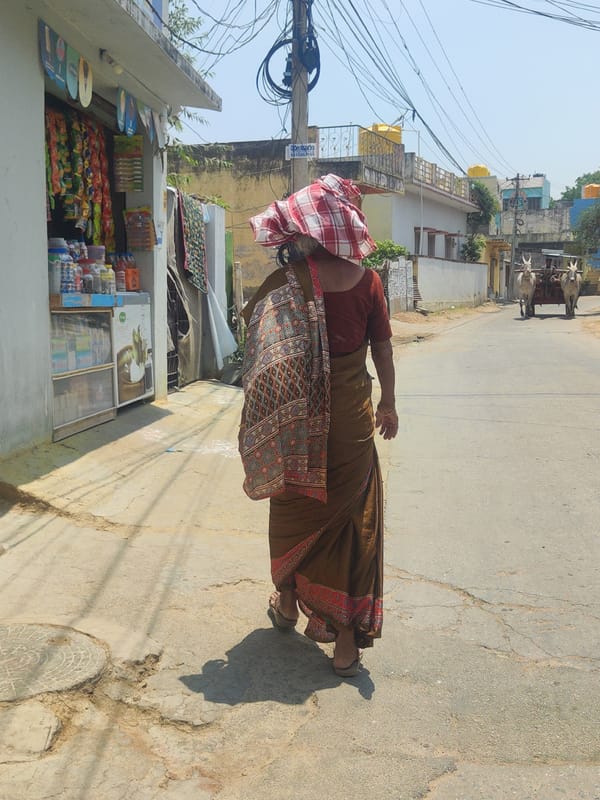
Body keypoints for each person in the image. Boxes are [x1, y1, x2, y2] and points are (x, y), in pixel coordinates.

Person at [238, 174, 398, 678]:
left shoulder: (290, 283)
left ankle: (288, 603)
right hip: (351, 421)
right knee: (352, 520)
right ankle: (346, 643)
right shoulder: (369, 281)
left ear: (310, 230)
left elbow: (260, 349)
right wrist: (388, 404)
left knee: (294, 503)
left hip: (300, 424)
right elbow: (384, 349)